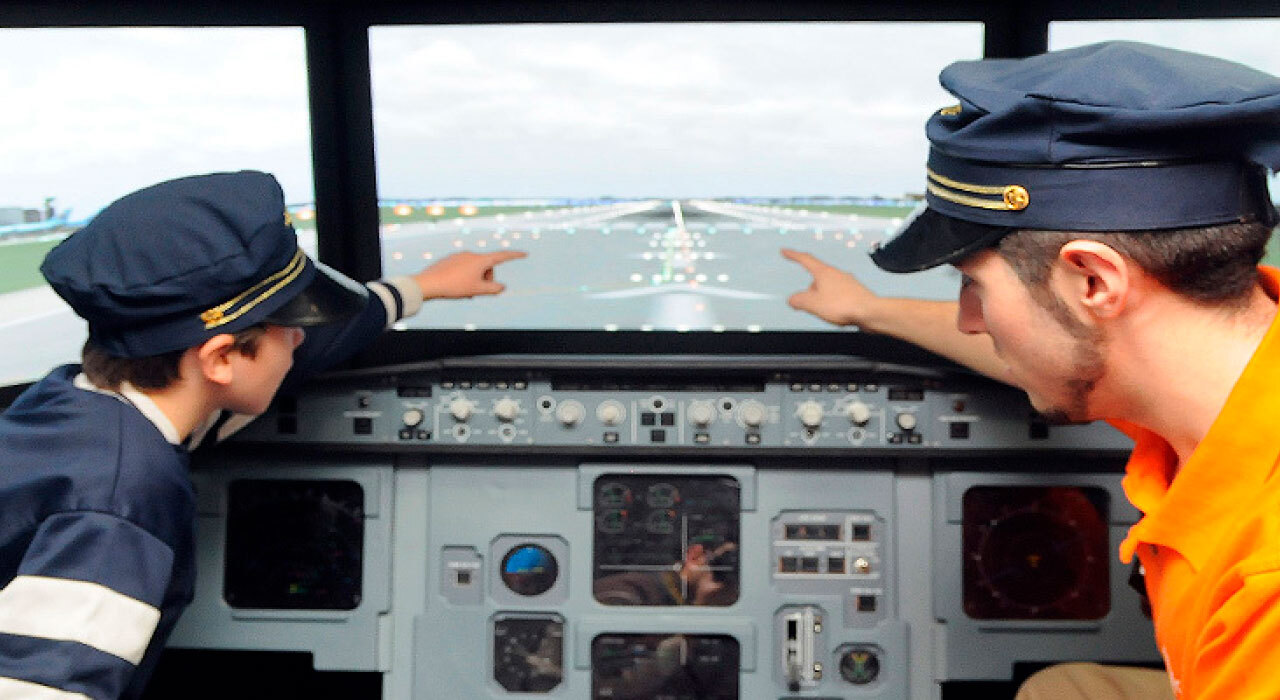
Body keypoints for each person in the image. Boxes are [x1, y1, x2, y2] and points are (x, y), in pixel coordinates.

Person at [783, 41, 1280, 699]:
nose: (968, 320)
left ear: (1095, 281)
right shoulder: (1219, 367)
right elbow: (1053, 342)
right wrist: (869, 311)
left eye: (973, 285)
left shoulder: (1265, 585)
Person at [0, 171, 525, 699]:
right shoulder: (120, 506)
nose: (301, 338)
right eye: (289, 325)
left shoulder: (72, 404)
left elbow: (296, 354)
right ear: (221, 358)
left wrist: (422, 287)